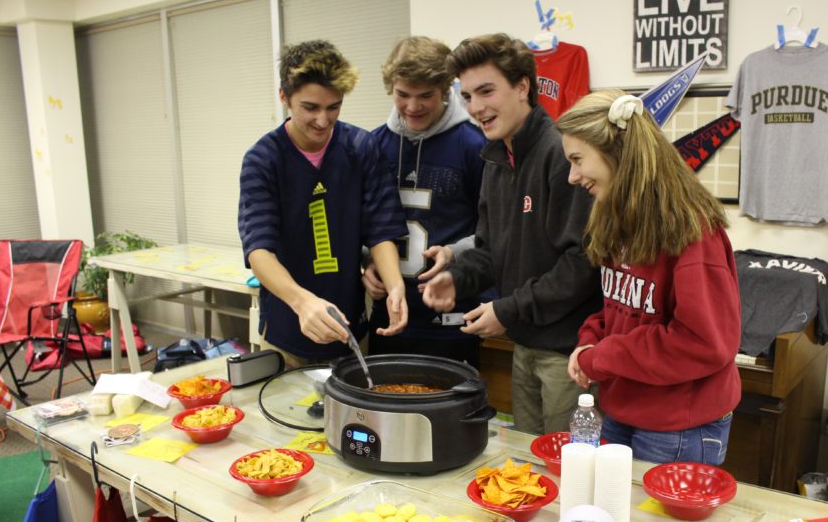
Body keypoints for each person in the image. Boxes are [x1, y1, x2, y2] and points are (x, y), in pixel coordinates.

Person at [423, 33, 601, 435]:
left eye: (486, 91)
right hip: (523, 345)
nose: (476, 108)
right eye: (466, 96)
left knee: (563, 471)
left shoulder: (560, 153)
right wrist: (457, 277)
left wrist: (506, 310)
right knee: (530, 468)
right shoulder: (495, 159)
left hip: (566, 355)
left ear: (523, 86)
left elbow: (582, 264)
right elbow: (490, 252)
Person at [555, 89, 741, 465]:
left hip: (679, 426)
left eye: (577, 160)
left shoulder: (692, 231)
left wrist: (602, 356)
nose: (572, 177)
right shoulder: (615, 217)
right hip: (623, 408)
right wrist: (589, 340)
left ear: (615, 152)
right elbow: (619, 308)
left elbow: (704, 342)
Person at [238, 40, 408, 367]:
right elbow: (259, 251)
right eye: (310, 107)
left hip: (351, 330)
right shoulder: (263, 160)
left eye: (334, 107)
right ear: (284, 97)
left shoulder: (361, 147)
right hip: (287, 332)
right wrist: (302, 303)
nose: (322, 120)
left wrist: (395, 284)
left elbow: (381, 230)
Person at [362, 36, 486, 367]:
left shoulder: (474, 145)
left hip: (451, 313)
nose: (413, 107)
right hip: (389, 311)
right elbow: (364, 221)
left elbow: (494, 230)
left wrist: (456, 254)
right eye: (403, 95)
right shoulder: (375, 145)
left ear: (446, 89)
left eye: (425, 96)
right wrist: (366, 262)